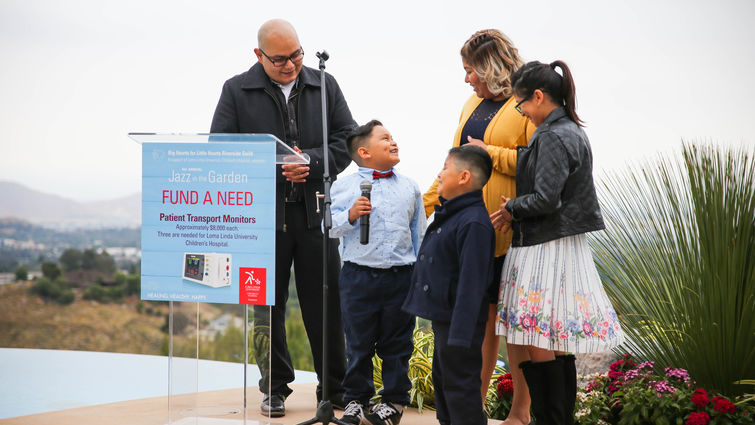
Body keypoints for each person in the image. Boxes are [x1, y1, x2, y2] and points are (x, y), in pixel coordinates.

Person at [210, 18, 355, 417]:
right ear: (258, 55)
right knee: (266, 307)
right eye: (279, 59)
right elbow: (220, 149)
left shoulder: (325, 84)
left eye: (296, 55)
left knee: (325, 304)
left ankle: (335, 388)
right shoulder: (236, 90)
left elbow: (348, 140)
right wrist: (278, 166)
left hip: (315, 216)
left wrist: (311, 161)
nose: (290, 65)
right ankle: (274, 388)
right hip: (261, 222)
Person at [491, 60, 625, 424]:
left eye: (522, 105)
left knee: (537, 333)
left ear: (538, 96)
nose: (524, 113)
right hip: (561, 244)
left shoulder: (551, 135)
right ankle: (555, 418)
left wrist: (512, 208)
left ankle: (549, 419)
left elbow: (546, 198)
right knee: (551, 335)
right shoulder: (571, 129)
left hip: (543, 245)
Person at [422, 29, 535, 424]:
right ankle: (475, 407)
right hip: (468, 235)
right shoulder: (472, 101)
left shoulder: (525, 106)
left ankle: (520, 412)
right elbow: (458, 161)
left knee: (514, 328)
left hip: (511, 233)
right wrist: (425, 202)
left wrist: (494, 154)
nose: (466, 78)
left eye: (470, 70)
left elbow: (537, 162)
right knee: (480, 323)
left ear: (490, 68)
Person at [328, 120, 426, 425]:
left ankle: (393, 403)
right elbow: (328, 227)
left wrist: (422, 275)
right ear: (364, 152)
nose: (393, 142)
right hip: (358, 276)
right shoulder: (343, 185)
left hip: (401, 276)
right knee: (357, 343)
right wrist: (351, 214)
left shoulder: (409, 186)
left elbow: (418, 233)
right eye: (385, 139)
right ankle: (355, 400)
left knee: (397, 343)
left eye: (393, 138)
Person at [403, 145, 495, 425]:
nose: (440, 175)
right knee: (446, 391)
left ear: (464, 177)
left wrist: (460, 336)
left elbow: (472, 285)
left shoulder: (473, 223)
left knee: (461, 393)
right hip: (447, 322)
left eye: (445, 168)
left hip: (460, 327)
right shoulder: (456, 214)